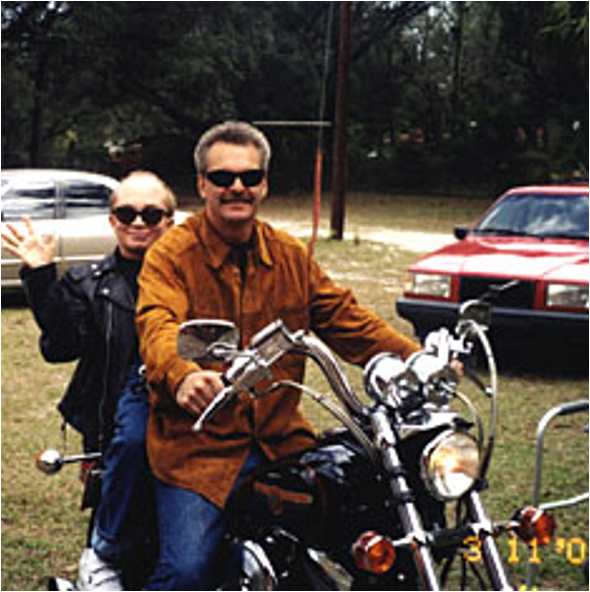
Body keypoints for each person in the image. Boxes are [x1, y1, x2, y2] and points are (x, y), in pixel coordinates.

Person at [136, 121, 423, 591]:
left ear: (264, 184)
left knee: (369, 535)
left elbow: (346, 319)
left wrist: (418, 361)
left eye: (249, 177)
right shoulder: (172, 254)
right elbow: (157, 322)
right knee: (186, 572)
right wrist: (182, 374)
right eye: (223, 177)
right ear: (202, 184)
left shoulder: (288, 255)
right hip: (199, 449)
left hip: (282, 442)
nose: (237, 187)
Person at [1, 170, 177, 591]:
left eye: (151, 214)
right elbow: (59, 347)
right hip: (112, 433)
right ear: (112, 220)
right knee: (115, 552)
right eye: (127, 213)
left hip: (183, 431)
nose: (138, 223)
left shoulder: (192, 281)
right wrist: (41, 275)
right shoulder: (89, 283)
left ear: (170, 221)